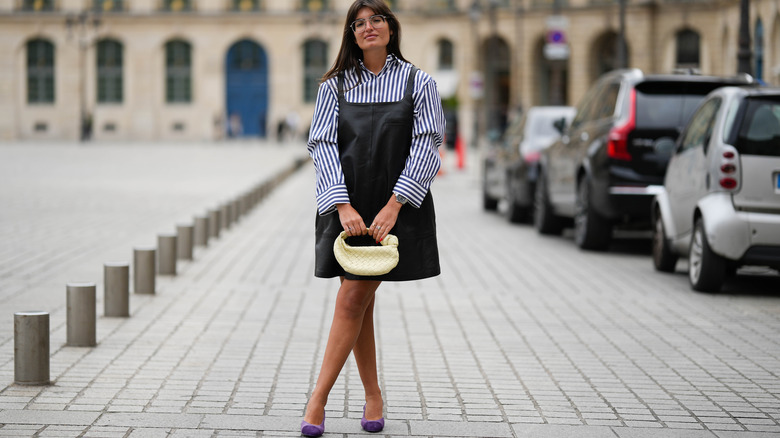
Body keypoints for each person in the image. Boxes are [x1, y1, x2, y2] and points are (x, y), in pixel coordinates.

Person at [302, 0, 445, 436]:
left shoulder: (419, 81)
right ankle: (372, 395)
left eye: (376, 20)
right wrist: (342, 204)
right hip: (347, 206)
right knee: (357, 300)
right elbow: (321, 144)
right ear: (351, 33)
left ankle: (317, 400)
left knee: (352, 299)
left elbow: (427, 141)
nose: (369, 27)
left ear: (390, 27)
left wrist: (395, 203)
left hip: (395, 204)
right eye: (359, 23)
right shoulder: (335, 86)